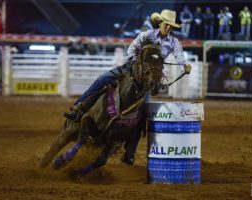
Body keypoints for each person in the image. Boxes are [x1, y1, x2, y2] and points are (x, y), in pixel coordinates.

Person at [63, 9, 192, 165]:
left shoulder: (174, 42)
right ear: (160, 23)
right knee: (102, 80)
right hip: (132, 68)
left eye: (171, 26)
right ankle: (79, 109)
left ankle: (130, 151)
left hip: (149, 78)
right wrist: (138, 62)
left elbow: (179, 55)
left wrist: (184, 65)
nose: (169, 28)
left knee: (146, 111)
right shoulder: (147, 35)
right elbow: (131, 49)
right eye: (167, 24)